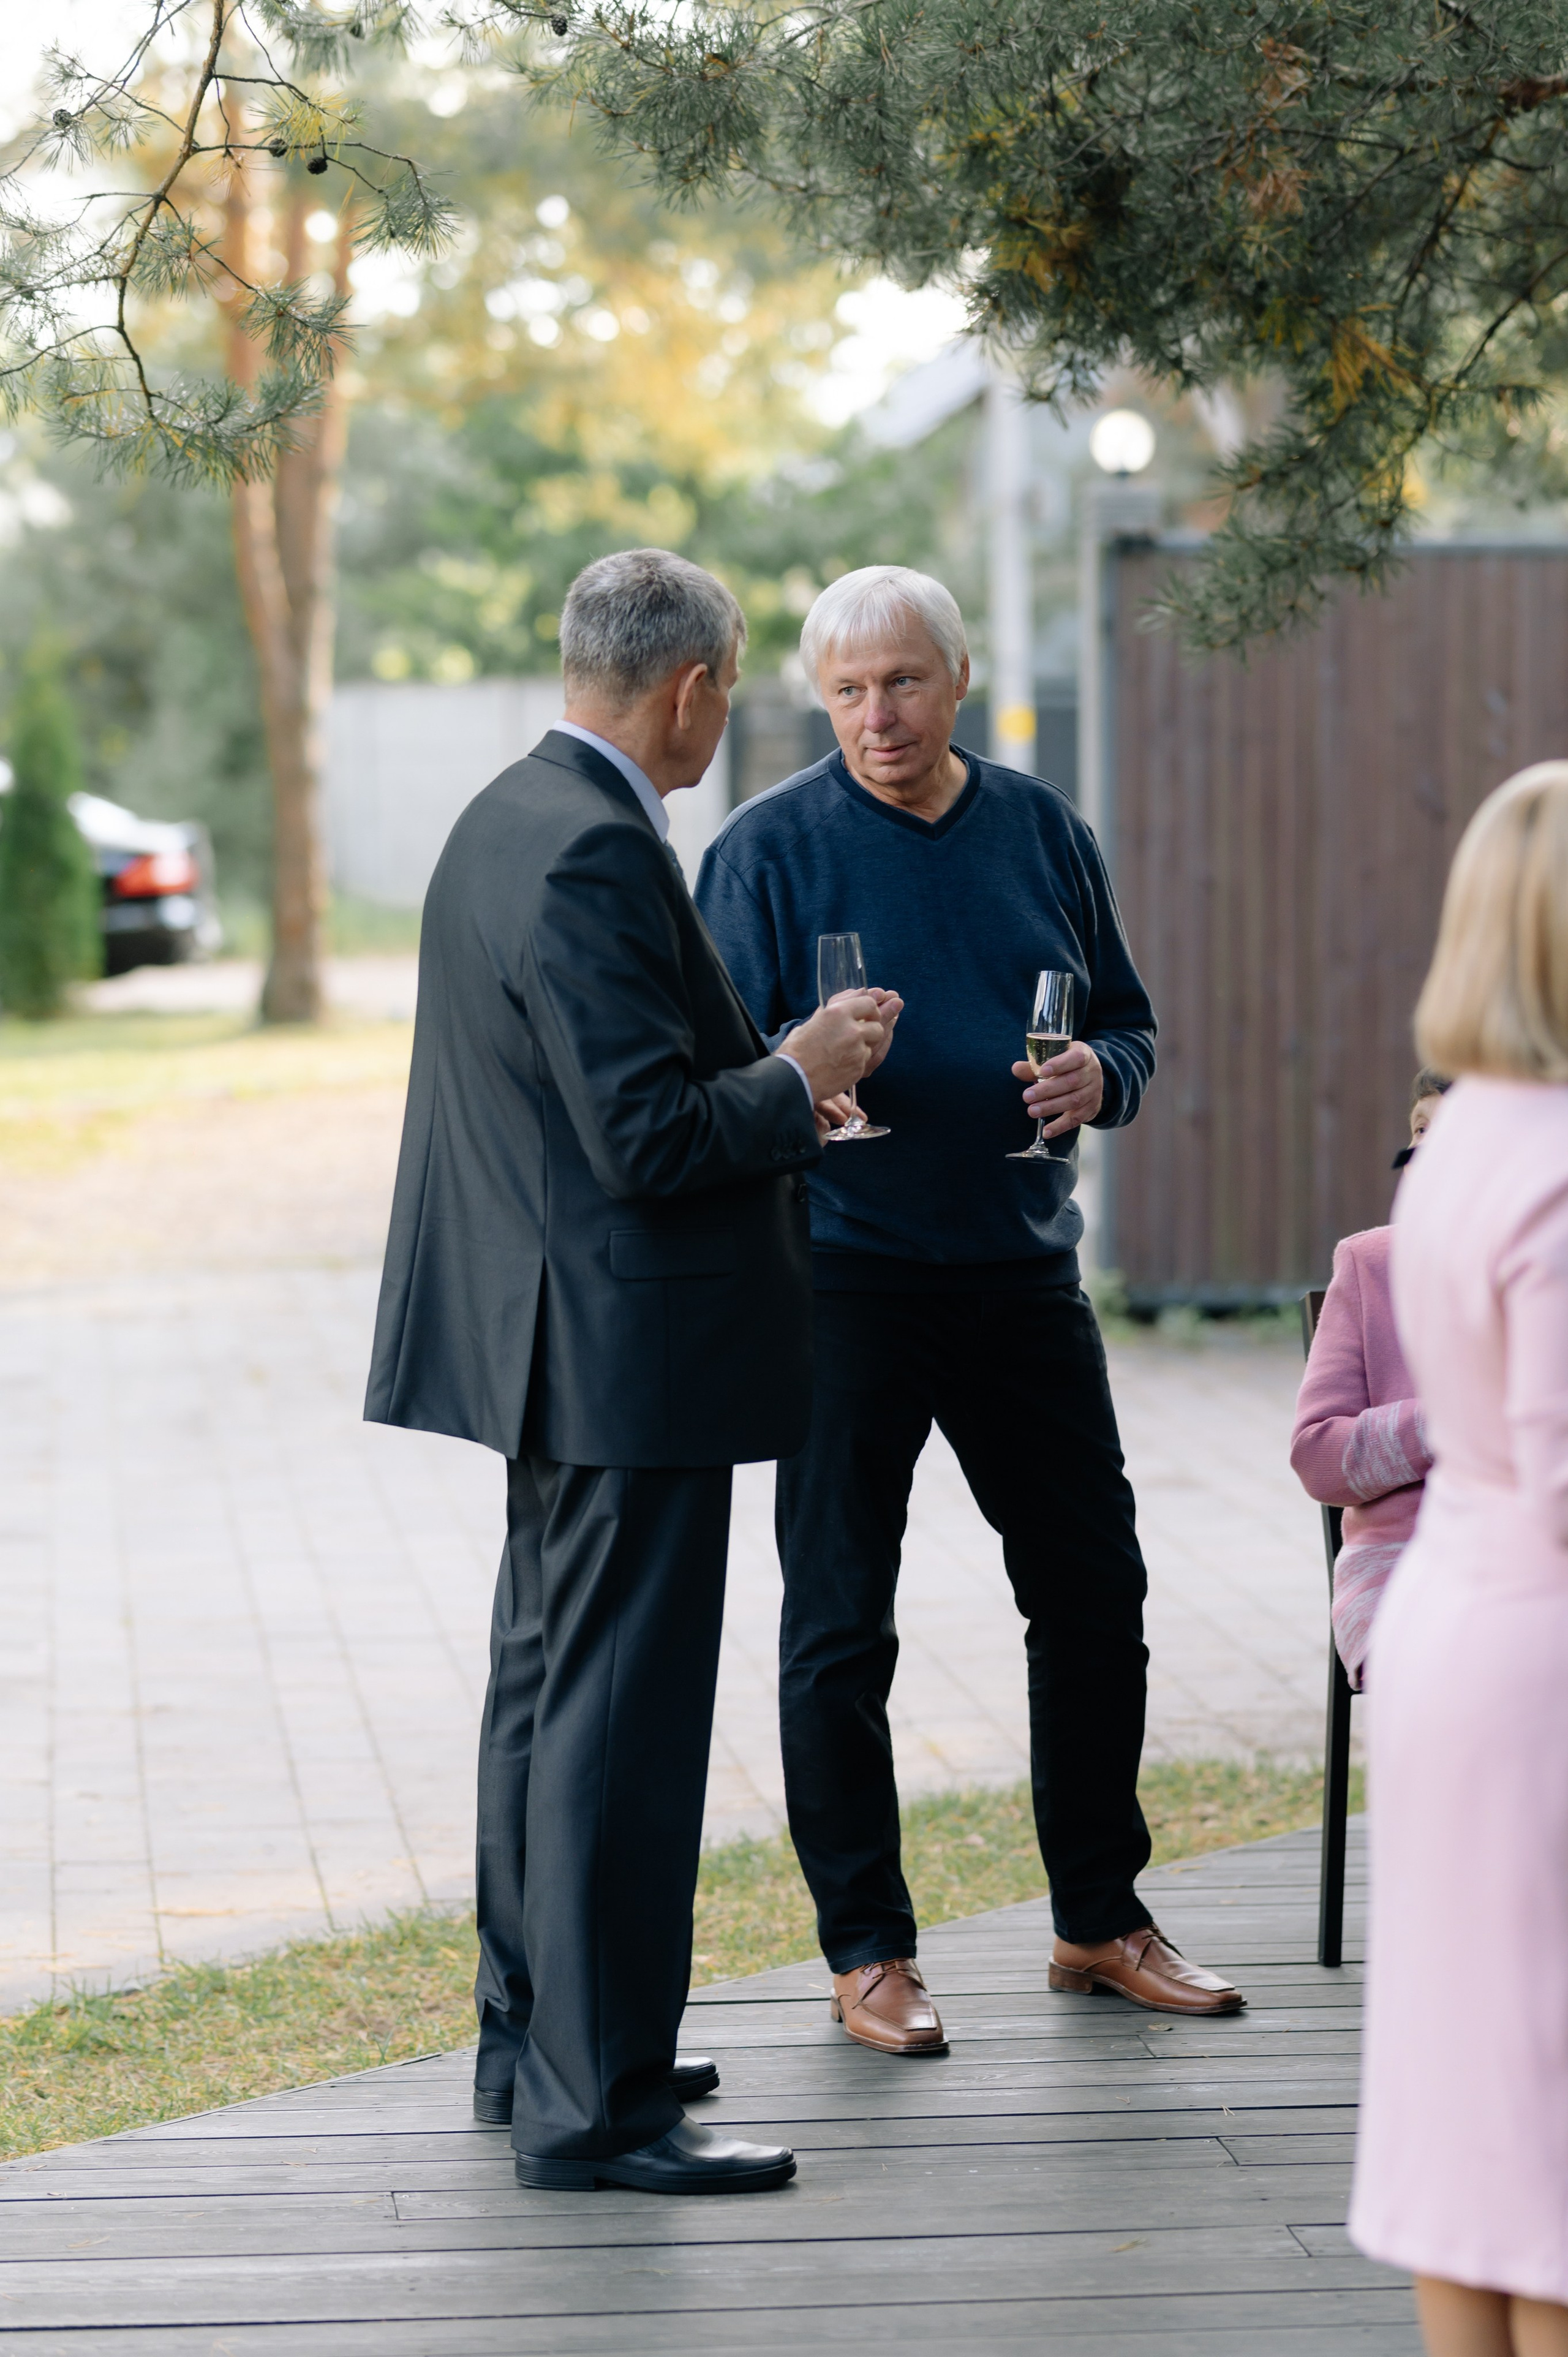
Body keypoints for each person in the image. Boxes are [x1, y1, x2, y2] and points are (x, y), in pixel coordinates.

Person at [364, 548, 895, 2195]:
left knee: (546, 1704)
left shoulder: (503, 812)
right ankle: (599, 2103)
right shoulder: (598, 844)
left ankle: (542, 2039)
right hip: (627, 1357)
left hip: (554, 1346)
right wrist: (797, 1073)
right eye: (732, 689)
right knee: (620, 1731)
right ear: (693, 687)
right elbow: (647, 1134)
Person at [695, 563, 1244, 2056]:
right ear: (821, 697)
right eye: (847, 689)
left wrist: (1098, 1078)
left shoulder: (1041, 830)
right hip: (843, 1284)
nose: (876, 714)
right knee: (838, 1627)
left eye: (902, 682)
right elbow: (712, 1078)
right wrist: (797, 1082)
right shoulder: (762, 851)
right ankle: (866, 1950)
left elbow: (1125, 1023)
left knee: (1092, 1597)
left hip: (1020, 1273)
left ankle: (1097, 1918)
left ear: (956, 677)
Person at [1348, 761, 1568, 2356]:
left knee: (1464, 2092)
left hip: (1450, 1627)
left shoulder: (1470, 1130)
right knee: (1547, 2104)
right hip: (1540, 1655)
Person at [1289, 1071, 1449, 1688]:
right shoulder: (1371, 1265)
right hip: (1401, 1568)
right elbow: (1317, 1458)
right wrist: (1448, 1420)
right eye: (1419, 1129)